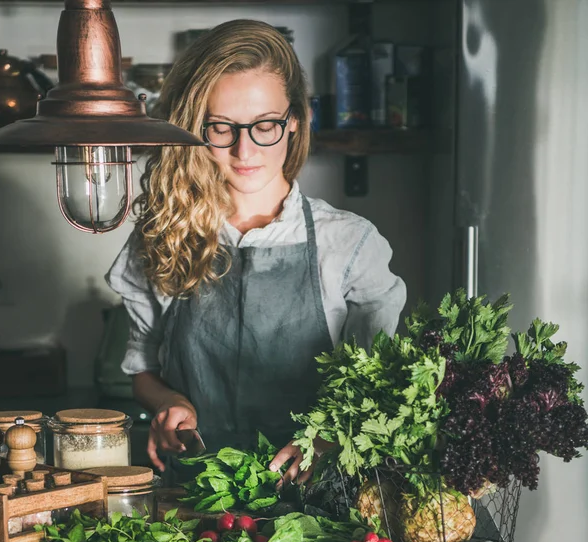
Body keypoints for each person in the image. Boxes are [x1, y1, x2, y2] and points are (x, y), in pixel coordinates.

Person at [106, 19, 406, 485]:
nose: (245, 150)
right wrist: (169, 404)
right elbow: (142, 368)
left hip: (318, 505)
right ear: (194, 128)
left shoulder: (349, 244)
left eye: (265, 125)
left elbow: (382, 385)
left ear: (294, 123)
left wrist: (327, 436)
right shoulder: (161, 235)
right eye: (220, 128)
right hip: (196, 497)